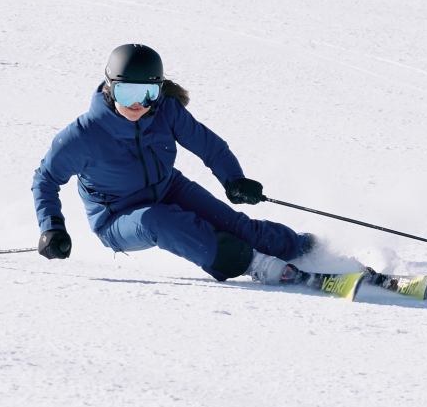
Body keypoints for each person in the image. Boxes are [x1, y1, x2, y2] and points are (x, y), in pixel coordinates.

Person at [31, 44, 314, 284]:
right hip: (117, 217)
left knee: (238, 226)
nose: (138, 104)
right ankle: (253, 264)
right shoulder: (83, 136)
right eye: (127, 93)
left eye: (148, 93)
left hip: (169, 188)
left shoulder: (165, 111)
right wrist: (51, 227)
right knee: (160, 220)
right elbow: (45, 179)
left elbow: (209, 146)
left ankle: (304, 250)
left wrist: (234, 180)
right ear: (110, 88)